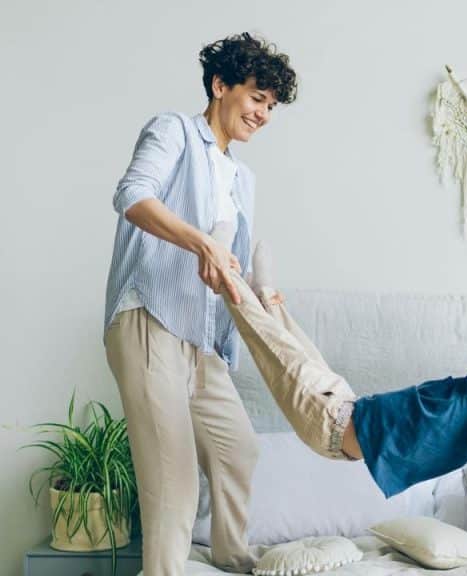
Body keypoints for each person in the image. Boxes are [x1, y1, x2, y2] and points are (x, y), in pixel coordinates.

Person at [103, 33, 297, 575]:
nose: (264, 113)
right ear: (220, 85)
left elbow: (225, 264)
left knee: (238, 450)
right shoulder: (175, 132)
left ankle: (234, 560)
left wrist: (261, 295)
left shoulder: (243, 178)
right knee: (174, 481)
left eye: (272, 106)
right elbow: (132, 196)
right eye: (258, 97)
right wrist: (202, 242)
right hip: (149, 319)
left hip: (200, 338)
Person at [216, 257, 467, 499]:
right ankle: (265, 295)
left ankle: (222, 272)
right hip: (343, 415)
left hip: (330, 419)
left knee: (275, 349)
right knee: (296, 349)